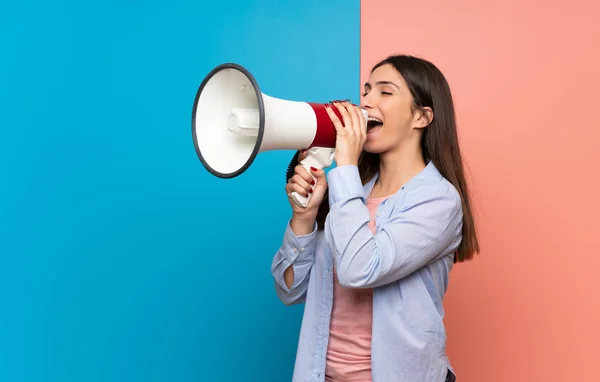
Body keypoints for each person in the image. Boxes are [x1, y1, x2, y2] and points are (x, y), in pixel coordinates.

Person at [271, 54, 479, 382]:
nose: (366, 101)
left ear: (422, 117)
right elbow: (290, 292)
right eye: (366, 90)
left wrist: (346, 167)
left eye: (385, 92)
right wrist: (304, 218)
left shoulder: (438, 201)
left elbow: (358, 270)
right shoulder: (350, 195)